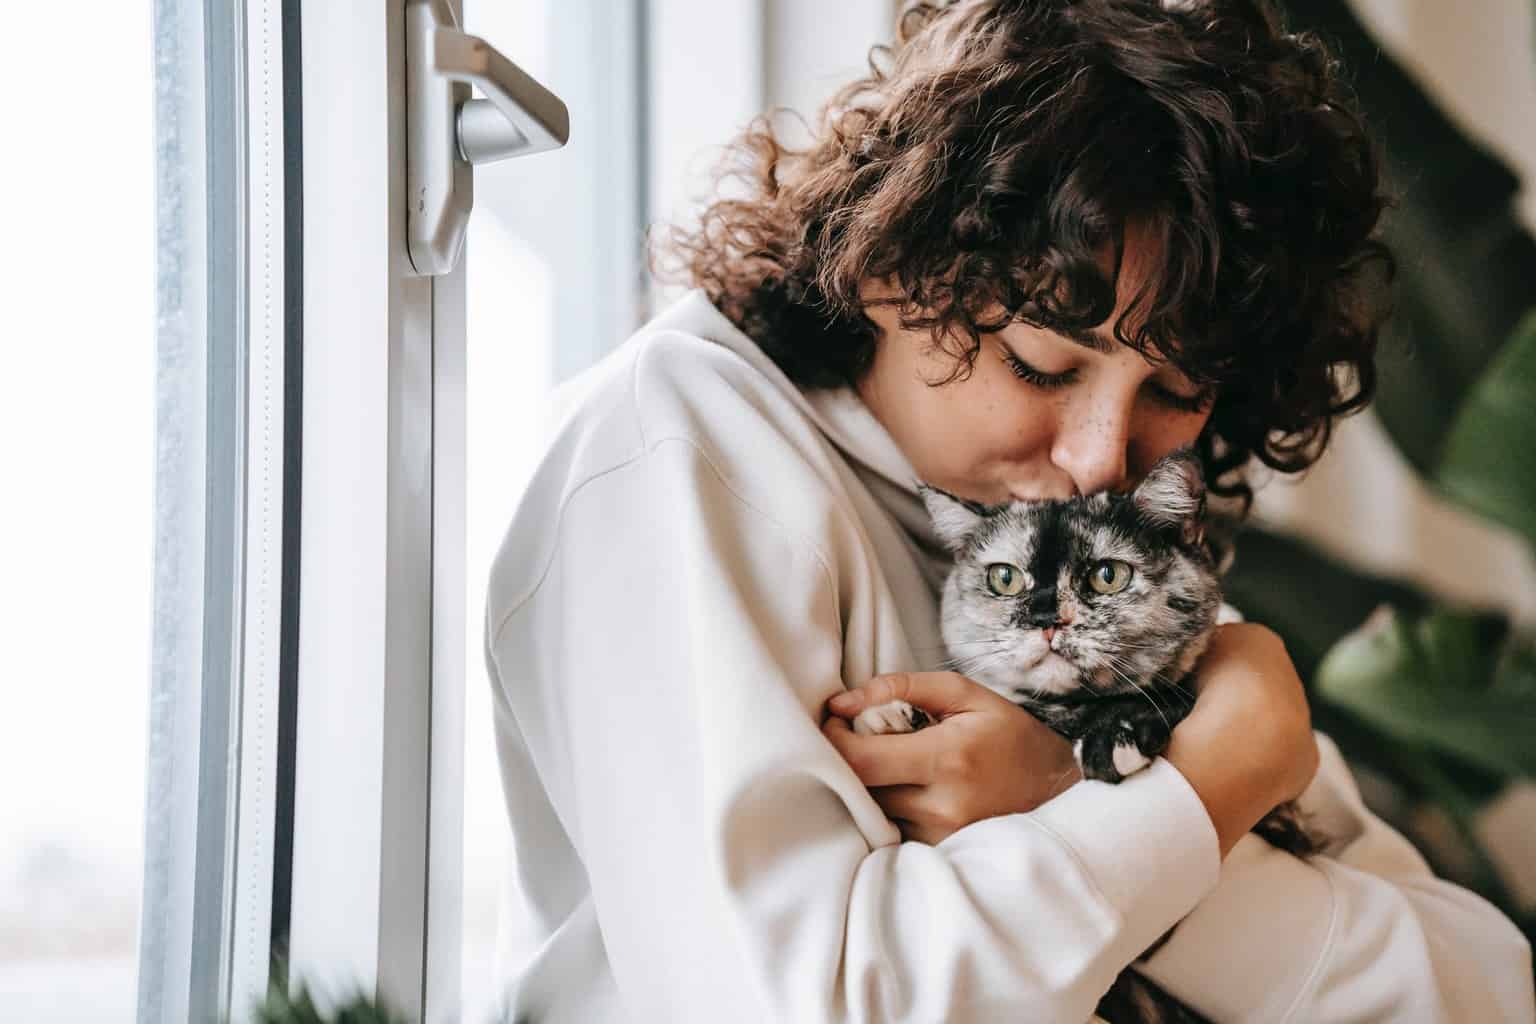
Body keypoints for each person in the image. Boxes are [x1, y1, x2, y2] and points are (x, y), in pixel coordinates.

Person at [481, 0, 1535, 1020]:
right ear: (894, 266)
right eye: (1041, 366)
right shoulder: (681, 452)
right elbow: (814, 1003)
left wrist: (1069, 801)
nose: (1100, 460)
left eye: (1175, 393)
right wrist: (1197, 795)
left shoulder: (1102, 555)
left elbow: (1480, 995)